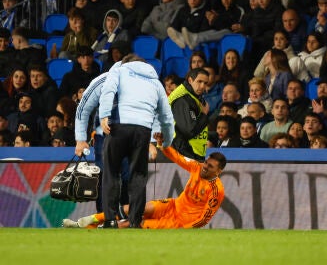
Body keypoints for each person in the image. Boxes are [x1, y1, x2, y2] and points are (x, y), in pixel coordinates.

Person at [63, 133, 226, 229]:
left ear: (218, 171)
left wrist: (187, 227)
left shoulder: (217, 190)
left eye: (210, 167)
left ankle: (94, 229)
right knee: (136, 208)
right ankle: (86, 221)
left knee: (136, 222)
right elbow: (177, 157)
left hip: (180, 221)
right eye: (206, 163)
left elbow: (205, 217)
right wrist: (162, 145)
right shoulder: (197, 167)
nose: (205, 167)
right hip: (173, 205)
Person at [98, 54, 175, 228]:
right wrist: (167, 141)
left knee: (111, 173)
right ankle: (135, 221)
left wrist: (104, 115)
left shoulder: (119, 70)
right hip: (143, 130)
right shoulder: (155, 81)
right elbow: (167, 116)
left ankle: (110, 220)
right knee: (138, 176)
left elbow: (108, 90)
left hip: (119, 127)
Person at [168, 67, 209, 161]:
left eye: (205, 83)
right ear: (190, 80)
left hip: (190, 151)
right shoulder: (182, 99)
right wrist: (204, 115)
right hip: (183, 151)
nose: (203, 86)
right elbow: (189, 130)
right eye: (199, 81)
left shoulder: (192, 95)